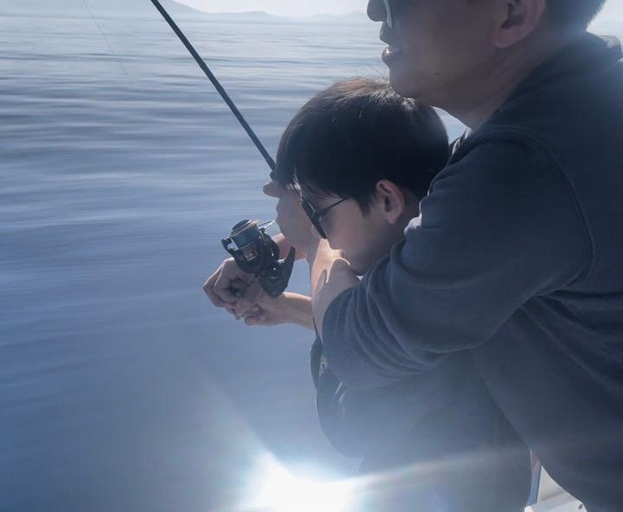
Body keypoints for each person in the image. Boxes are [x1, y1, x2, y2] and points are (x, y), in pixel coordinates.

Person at [229, 1, 623, 510]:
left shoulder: (524, 168)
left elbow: (358, 348)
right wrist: (290, 243)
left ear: (511, 14)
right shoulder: (591, 100)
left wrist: (313, 239)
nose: (375, 10)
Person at [205, 77, 531, 511]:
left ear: (388, 200)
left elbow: (352, 424)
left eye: (318, 213)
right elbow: (366, 333)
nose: (319, 231)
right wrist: (291, 303)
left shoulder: (423, 304)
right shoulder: (457, 243)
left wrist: (312, 243)